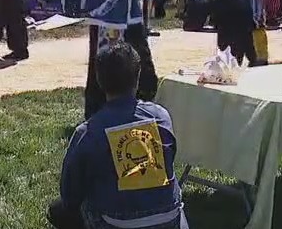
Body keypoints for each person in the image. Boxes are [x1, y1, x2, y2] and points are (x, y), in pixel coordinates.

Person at [48, 42, 187, 229]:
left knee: (58, 210)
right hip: (169, 218)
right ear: (138, 77)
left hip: (116, 222)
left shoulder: (88, 131)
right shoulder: (161, 117)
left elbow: (70, 194)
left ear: (98, 80)